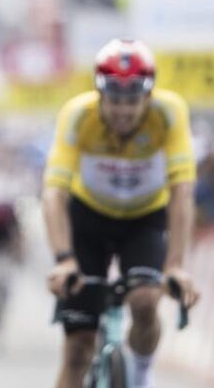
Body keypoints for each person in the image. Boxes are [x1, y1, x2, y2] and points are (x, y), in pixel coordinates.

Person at [42, 39, 201, 388]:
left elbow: (182, 192)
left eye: (132, 101)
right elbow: (54, 193)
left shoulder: (169, 112)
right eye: (114, 100)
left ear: (148, 96)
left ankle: (141, 376)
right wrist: (64, 258)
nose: (123, 111)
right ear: (100, 95)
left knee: (145, 301)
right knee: (77, 351)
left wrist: (174, 265)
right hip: (89, 218)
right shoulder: (78, 114)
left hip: (144, 219)